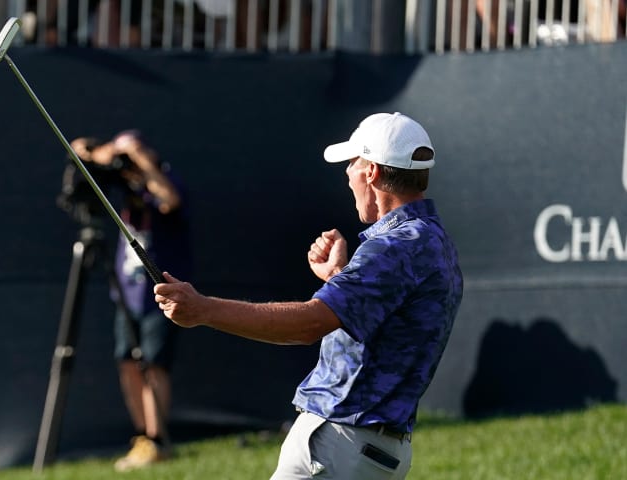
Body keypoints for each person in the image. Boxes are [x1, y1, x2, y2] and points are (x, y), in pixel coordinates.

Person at [153, 112, 463, 479]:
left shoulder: (393, 248)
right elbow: (390, 325)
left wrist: (203, 310)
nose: (347, 174)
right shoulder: (430, 239)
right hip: (369, 451)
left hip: (339, 446)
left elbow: (307, 324)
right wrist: (339, 277)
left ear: (372, 173)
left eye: (352, 163)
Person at [69, 129, 191, 472]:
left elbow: (170, 199)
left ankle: (157, 439)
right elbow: (82, 151)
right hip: (127, 292)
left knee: (153, 364)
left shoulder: (162, 180)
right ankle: (142, 435)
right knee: (127, 362)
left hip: (159, 292)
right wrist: (97, 152)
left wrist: (138, 156)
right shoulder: (123, 188)